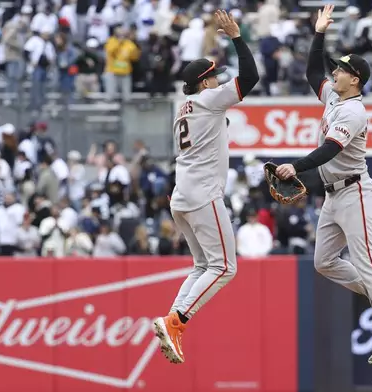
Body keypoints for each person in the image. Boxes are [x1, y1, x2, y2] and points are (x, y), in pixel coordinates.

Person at [274, 4, 372, 365]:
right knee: (324, 261)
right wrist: (319, 32)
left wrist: (295, 168)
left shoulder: (353, 111)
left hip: (356, 191)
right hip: (334, 195)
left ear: (356, 79)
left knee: (365, 261)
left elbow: (330, 149)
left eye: (343, 69)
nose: (336, 72)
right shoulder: (334, 95)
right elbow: (313, 69)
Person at [152, 9, 259, 365]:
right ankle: (177, 321)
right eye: (213, 77)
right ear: (204, 81)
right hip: (202, 195)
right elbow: (252, 77)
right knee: (226, 267)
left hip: (181, 196)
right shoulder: (208, 99)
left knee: (202, 267)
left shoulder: (182, 108)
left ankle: (172, 321)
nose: (217, 81)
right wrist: (237, 37)